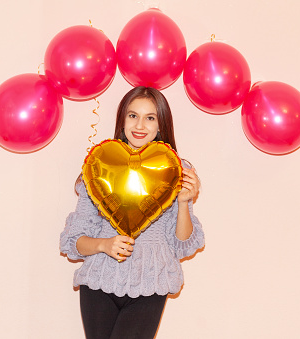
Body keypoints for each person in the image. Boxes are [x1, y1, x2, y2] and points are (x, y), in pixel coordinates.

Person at [60, 86, 205, 339]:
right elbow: (74, 241)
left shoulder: (176, 170)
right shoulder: (100, 164)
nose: (140, 125)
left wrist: (184, 202)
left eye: (150, 117)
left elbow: (181, 244)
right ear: (122, 120)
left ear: (161, 125)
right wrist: (105, 244)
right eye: (132, 115)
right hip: (99, 282)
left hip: (151, 283)